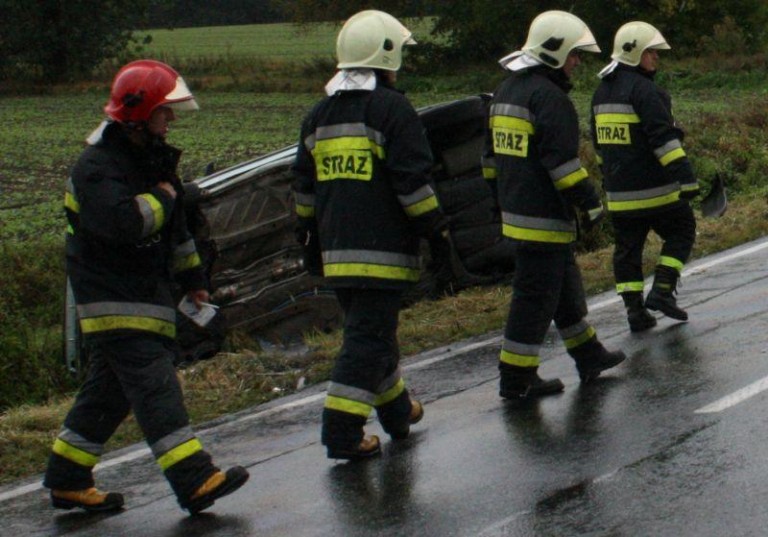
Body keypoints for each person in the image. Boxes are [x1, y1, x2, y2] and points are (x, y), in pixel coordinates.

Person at [45, 60, 249, 514]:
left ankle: (67, 477)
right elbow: (126, 223)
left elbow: (177, 233)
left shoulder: (149, 158)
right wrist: (164, 196)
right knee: (156, 385)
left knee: (108, 392)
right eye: (164, 110)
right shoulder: (96, 168)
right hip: (113, 298)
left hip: (141, 293)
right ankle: (194, 479)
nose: (171, 118)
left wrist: (194, 280)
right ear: (139, 114)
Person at [292, 10, 449, 460]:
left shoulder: (318, 116)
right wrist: (436, 232)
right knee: (368, 341)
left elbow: (303, 190)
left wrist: (309, 240)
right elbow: (412, 183)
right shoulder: (392, 110)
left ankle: (397, 411)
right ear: (387, 56)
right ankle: (341, 431)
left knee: (374, 335)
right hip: (383, 254)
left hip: (337, 254)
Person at [481, 10, 626, 399]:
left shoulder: (505, 91)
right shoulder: (550, 99)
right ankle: (516, 377)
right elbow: (562, 165)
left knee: (562, 288)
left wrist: (500, 201)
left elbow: (489, 160)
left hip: (517, 212)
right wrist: (590, 203)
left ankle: (588, 354)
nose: (577, 62)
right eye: (573, 54)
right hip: (543, 217)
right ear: (554, 51)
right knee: (534, 299)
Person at [590, 22, 698, 332]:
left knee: (627, 252)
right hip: (656, 191)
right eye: (651, 51)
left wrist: (608, 179)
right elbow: (663, 140)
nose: (656, 57)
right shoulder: (646, 91)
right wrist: (686, 178)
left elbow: (599, 146)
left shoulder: (600, 93)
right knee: (683, 230)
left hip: (620, 195)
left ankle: (635, 312)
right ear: (635, 53)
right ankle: (662, 290)